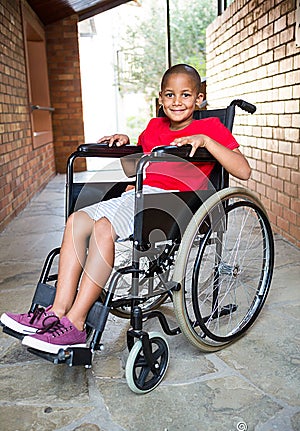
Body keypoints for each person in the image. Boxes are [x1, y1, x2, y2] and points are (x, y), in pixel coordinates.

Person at [1, 64, 251, 353]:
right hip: (140, 195)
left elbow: (243, 170)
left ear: (199, 99)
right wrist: (126, 145)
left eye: (185, 95)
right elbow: (134, 165)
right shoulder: (154, 127)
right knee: (76, 220)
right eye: (170, 95)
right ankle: (56, 312)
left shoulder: (210, 128)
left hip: (175, 202)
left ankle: (76, 323)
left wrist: (207, 141)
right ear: (160, 98)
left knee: (103, 227)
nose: (177, 101)